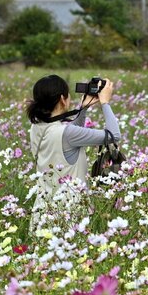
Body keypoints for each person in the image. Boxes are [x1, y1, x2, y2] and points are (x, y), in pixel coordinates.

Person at [26, 74, 120, 232]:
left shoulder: (36, 128)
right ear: (63, 99)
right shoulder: (67, 133)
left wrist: (83, 108)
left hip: (42, 215)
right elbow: (114, 135)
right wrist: (105, 103)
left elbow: (67, 135)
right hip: (69, 219)